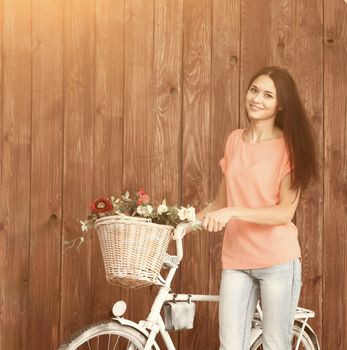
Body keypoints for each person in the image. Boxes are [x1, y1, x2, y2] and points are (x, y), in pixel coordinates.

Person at [196, 66, 318, 350]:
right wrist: (183, 222)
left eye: (267, 95)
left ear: (281, 105)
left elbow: (283, 213)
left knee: (275, 344)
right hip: (236, 261)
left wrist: (233, 213)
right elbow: (219, 203)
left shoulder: (290, 147)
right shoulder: (234, 140)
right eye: (254, 91)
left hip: (277, 261)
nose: (257, 99)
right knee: (230, 346)